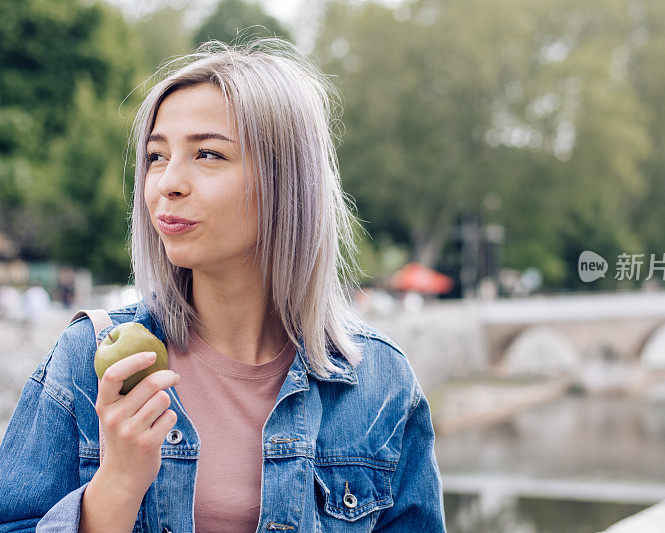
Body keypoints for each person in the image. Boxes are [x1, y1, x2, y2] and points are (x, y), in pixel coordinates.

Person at [0, 39, 445, 532]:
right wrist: (118, 485)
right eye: (155, 156)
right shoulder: (90, 361)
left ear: (287, 181)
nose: (168, 182)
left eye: (208, 154)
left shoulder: (380, 382)